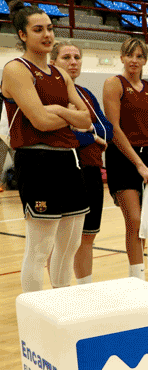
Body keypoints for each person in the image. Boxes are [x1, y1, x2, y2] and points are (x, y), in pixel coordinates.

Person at [2, 2, 91, 292]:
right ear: (22, 35)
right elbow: (39, 121)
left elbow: (86, 120)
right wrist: (65, 112)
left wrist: (58, 109)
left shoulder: (60, 73)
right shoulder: (16, 69)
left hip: (69, 160)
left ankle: (62, 309)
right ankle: (35, 318)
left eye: (50, 28)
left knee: (70, 245)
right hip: (36, 160)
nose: (47, 35)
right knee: (40, 248)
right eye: (38, 29)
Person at [102, 37, 148, 284]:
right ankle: (136, 278)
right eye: (130, 55)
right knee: (136, 220)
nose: (134, 61)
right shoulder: (114, 84)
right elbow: (114, 128)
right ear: (121, 57)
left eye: (139, 56)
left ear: (145, 60)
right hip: (123, 156)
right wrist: (138, 164)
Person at [49, 41, 111, 285]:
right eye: (66, 57)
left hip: (92, 170)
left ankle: (86, 292)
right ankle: (57, 294)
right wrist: (90, 136)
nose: (73, 61)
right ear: (53, 62)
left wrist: (86, 130)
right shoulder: (47, 93)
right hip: (62, 170)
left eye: (77, 57)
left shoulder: (86, 95)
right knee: (60, 240)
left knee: (87, 237)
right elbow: (58, 135)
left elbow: (107, 132)